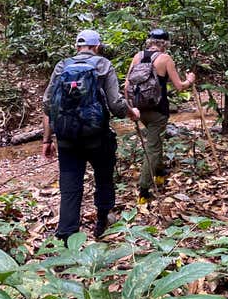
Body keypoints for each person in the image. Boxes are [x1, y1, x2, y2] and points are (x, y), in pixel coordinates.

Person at [42, 29, 139, 242]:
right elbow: (115, 104)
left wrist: (47, 140)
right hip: (97, 137)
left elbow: (48, 105)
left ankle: (67, 236)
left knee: (70, 186)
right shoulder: (103, 65)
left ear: (77, 46)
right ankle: (103, 223)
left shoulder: (61, 66)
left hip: (67, 139)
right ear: (97, 47)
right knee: (103, 178)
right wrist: (132, 113)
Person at [125, 29, 195, 203]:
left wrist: (131, 108)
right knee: (153, 148)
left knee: (156, 141)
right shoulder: (165, 59)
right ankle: (144, 191)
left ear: (150, 41)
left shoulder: (138, 56)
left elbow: (126, 85)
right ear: (165, 43)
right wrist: (190, 80)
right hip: (158, 110)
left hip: (140, 110)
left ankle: (160, 174)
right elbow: (179, 86)